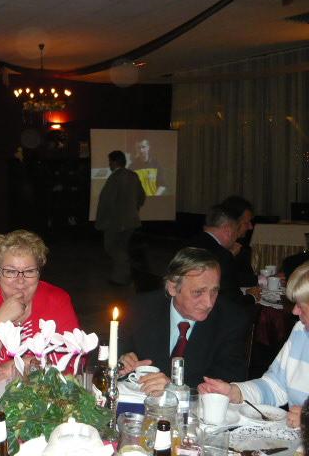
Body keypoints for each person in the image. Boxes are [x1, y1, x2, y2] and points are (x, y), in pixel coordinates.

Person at [119, 247, 250, 393]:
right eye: (198, 292)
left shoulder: (232, 319)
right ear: (172, 288)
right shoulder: (139, 308)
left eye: (214, 291)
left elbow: (230, 379)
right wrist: (122, 362)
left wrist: (175, 389)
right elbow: (112, 352)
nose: (208, 303)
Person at [199, 260, 309, 429]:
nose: (294, 311)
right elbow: (274, 386)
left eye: (301, 305)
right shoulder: (301, 331)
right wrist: (234, 392)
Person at [0, 229, 80, 380]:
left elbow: (74, 361)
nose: (20, 281)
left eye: (29, 271)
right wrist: (0, 319)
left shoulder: (57, 300)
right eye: (10, 272)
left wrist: (17, 366)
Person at [95, 150, 146, 286]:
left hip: (116, 222)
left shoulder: (115, 178)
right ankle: (122, 275)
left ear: (114, 162)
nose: (109, 165)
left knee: (113, 248)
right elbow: (141, 197)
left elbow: (106, 202)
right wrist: (133, 210)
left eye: (110, 162)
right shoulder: (133, 175)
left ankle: (121, 277)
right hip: (132, 221)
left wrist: (101, 222)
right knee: (122, 247)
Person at [186, 204, 254, 306]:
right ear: (228, 230)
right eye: (236, 231)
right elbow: (233, 302)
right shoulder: (223, 256)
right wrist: (252, 296)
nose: (236, 237)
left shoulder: (188, 244)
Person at [221, 195, 257, 287]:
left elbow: (247, 276)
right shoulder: (214, 245)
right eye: (246, 223)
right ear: (232, 223)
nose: (250, 227)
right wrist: (229, 256)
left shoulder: (241, 246)